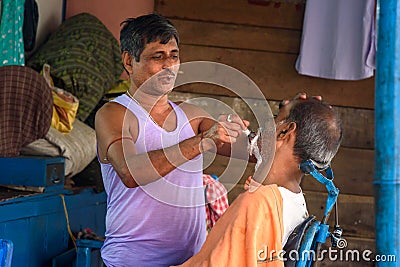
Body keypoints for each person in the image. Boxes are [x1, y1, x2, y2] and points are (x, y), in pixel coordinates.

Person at [94, 14, 251, 267]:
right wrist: (200, 143)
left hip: (190, 262)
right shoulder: (114, 115)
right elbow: (130, 173)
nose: (169, 65)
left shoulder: (192, 114)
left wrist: (287, 119)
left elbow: (251, 151)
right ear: (128, 62)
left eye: (174, 55)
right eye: (158, 56)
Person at [174, 98, 343, 267]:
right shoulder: (293, 201)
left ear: (284, 132)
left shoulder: (258, 202)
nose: (263, 126)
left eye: (276, 117)